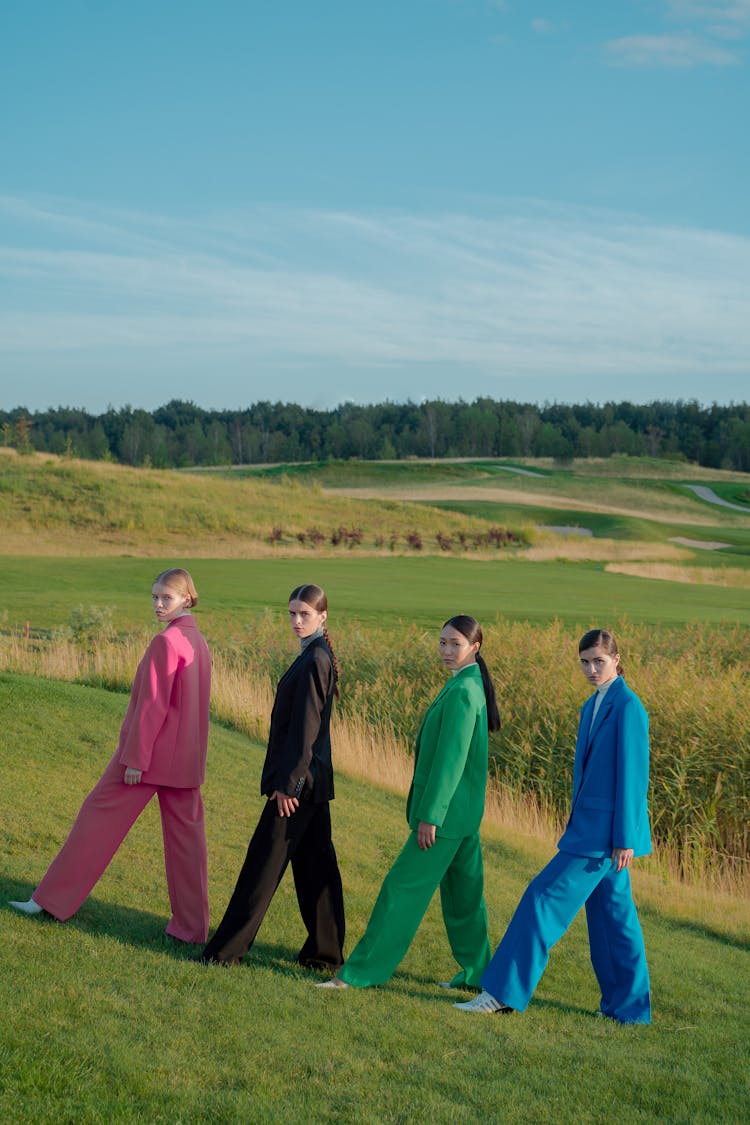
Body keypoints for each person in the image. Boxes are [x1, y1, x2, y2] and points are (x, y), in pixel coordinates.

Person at [455, 628, 651, 1023]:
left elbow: (633, 775)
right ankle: (628, 1010)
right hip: (590, 830)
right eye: (584, 662)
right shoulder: (592, 706)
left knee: (541, 900)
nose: (592, 669)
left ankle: (502, 994)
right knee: (614, 921)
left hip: (603, 838)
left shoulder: (629, 707)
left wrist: (626, 837)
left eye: (599, 661)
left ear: (616, 659)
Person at [9, 567, 212, 943]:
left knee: (95, 819)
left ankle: (49, 901)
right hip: (184, 766)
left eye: (165, 598)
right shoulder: (197, 641)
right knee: (189, 847)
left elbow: (153, 706)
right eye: (154, 597)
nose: (157, 604)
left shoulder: (166, 642)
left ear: (186, 598)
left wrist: (135, 758)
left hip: (147, 762)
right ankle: (193, 928)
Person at [318, 614, 500, 991]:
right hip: (463, 816)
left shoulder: (466, 691)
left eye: (456, 644)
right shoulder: (466, 684)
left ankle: (359, 974)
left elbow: (450, 762)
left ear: (475, 648)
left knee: (401, 891)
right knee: (465, 900)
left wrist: (430, 817)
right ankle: (479, 974)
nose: (447, 650)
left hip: (446, 818)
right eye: (443, 642)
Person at [200, 583, 345, 970]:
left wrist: (287, 785)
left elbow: (306, 730)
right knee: (316, 870)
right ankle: (325, 954)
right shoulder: (315, 653)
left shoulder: (316, 658)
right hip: (312, 785)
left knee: (261, 867)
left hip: (299, 787)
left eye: (305, 615)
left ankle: (225, 952)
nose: (297, 621)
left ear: (322, 616)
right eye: (292, 614)